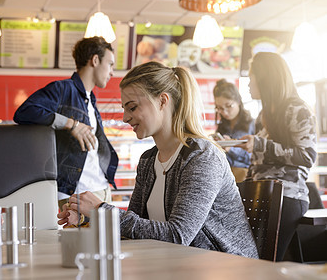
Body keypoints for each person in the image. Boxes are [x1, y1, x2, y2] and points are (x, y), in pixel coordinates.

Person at [58, 61, 259, 258]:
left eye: (132, 107)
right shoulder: (148, 160)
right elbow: (132, 229)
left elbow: (178, 235)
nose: (125, 117)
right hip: (179, 266)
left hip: (227, 268)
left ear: (163, 101)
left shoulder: (203, 157)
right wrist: (89, 219)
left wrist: (102, 210)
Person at [13, 36, 119, 209]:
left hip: (100, 190)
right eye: (110, 64)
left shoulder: (90, 98)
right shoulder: (62, 89)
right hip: (75, 196)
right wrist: (71, 124)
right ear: (95, 60)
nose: (112, 72)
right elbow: (24, 112)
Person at [238, 52, 317, 261]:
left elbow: (307, 156)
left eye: (252, 76)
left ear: (265, 78)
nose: (248, 83)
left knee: (260, 262)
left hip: (287, 197)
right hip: (262, 194)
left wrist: (261, 145)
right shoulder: (262, 116)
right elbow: (260, 162)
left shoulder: (297, 109)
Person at [213, 79, 255, 182]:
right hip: (224, 177)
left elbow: (254, 157)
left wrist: (230, 148)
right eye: (220, 108)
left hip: (245, 178)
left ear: (238, 101)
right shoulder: (222, 127)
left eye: (228, 106)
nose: (225, 112)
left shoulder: (252, 124)